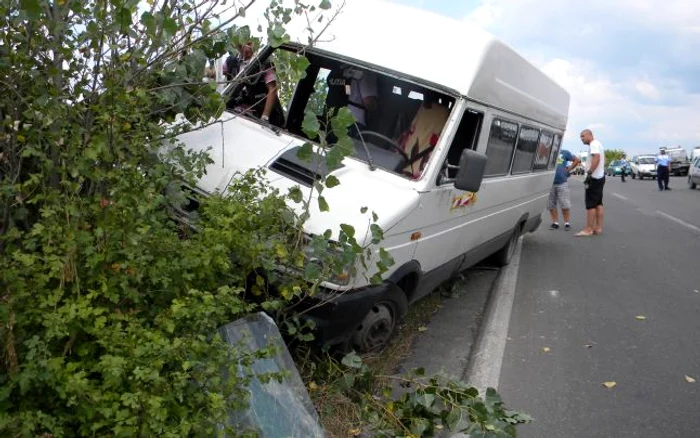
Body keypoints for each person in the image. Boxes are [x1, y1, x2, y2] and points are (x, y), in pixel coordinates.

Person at [226, 41, 285, 127]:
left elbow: (272, 89)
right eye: (242, 45)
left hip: (259, 117)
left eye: (249, 43)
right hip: (235, 115)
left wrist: (264, 118)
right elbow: (216, 75)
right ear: (236, 46)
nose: (247, 47)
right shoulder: (231, 62)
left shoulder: (263, 63)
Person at [325, 66, 379, 136]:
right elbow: (369, 102)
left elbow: (347, 90)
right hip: (353, 123)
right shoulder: (366, 70)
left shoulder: (341, 68)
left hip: (332, 121)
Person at [575, 129, 605, 237]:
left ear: (589, 135)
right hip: (600, 177)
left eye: (583, 136)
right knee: (598, 203)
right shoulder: (598, 144)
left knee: (591, 204)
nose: (582, 139)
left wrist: (589, 173)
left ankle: (588, 229)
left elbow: (596, 158)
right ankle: (598, 228)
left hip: (594, 178)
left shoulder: (594, 144)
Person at [548, 149, 581, 230]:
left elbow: (576, 160)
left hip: (562, 182)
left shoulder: (564, 152)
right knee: (551, 204)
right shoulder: (548, 151)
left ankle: (567, 223)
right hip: (549, 183)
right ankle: (555, 223)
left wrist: (567, 170)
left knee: (565, 204)